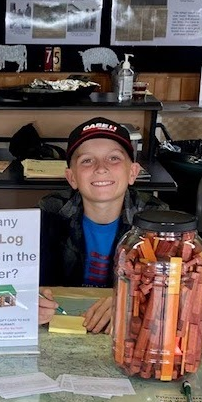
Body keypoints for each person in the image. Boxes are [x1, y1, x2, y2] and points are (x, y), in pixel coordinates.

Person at [37, 117, 167, 331]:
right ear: (72, 178)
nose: (101, 168)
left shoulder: (155, 217)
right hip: (62, 325)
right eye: (87, 161)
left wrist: (134, 302)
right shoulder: (50, 212)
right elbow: (15, 270)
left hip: (130, 330)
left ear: (133, 172)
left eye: (114, 158)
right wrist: (29, 298)